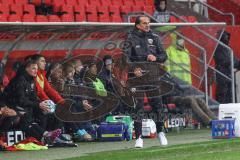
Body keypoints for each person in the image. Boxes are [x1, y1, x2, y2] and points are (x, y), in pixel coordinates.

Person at [126, 15, 168, 148]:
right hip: (136, 79)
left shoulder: (155, 37)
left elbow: (164, 56)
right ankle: (138, 138)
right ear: (137, 25)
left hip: (152, 77)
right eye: (144, 23)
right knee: (138, 107)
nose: (147, 25)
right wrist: (134, 68)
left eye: (148, 23)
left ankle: (161, 132)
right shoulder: (130, 38)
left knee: (158, 106)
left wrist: (155, 57)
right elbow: (125, 59)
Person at [2, 59, 61, 142]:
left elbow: (33, 98)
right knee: (25, 117)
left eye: (37, 69)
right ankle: (44, 136)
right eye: (33, 68)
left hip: (22, 107)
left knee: (44, 112)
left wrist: (41, 104)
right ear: (26, 69)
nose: (36, 71)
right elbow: (20, 100)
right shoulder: (19, 80)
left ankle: (48, 136)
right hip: (11, 106)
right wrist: (38, 105)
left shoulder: (31, 80)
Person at [214, 31, 240, 103]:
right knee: (223, 97)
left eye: (227, 37)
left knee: (230, 97)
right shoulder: (218, 48)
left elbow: (234, 60)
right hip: (223, 77)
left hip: (229, 76)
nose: (227, 39)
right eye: (225, 37)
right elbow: (227, 61)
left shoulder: (227, 48)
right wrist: (237, 63)